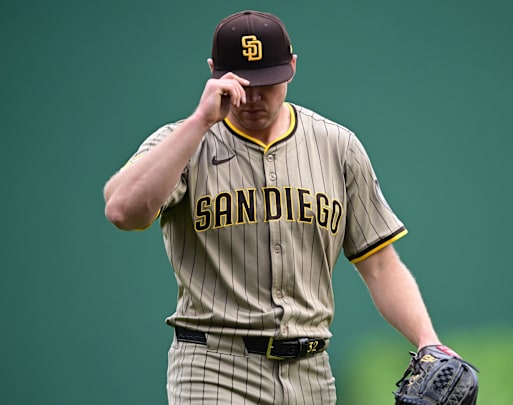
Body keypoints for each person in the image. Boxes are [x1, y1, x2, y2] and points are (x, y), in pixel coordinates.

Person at [104, 10, 443, 404]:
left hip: (311, 375)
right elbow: (123, 211)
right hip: (214, 369)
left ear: (292, 67)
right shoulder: (181, 142)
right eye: (242, 83)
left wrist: (427, 341)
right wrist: (199, 122)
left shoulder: (338, 146)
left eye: (268, 81)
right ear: (214, 72)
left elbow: (381, 265)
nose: (254, 97)